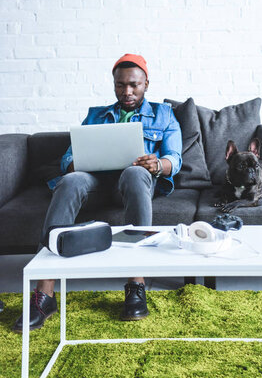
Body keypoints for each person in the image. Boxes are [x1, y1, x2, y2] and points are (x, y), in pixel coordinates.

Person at [14, 54, 182, 331]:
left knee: (136, 171)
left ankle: (136, 284)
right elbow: (68, 157)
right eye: (120, 85)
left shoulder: (164, 115)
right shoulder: (96, 115)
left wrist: (159, 164)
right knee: (70, 181)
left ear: (146, 84)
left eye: (134, 85)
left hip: (134, 185)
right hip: (97, 185)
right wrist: (74, 163)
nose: (126, 92)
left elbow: (175, 158)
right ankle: (45, 292)